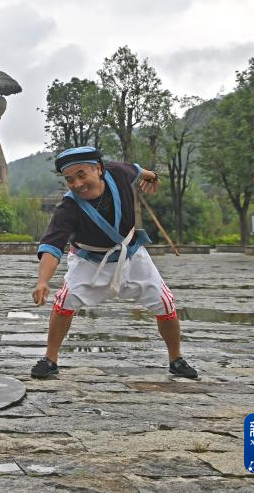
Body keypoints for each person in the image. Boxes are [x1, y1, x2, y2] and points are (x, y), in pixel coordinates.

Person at [30, 146, 198, 380]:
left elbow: (137, 171)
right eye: (69, 179)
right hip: (89, 261)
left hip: (131, 255)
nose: (77, 184)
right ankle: (50, 359)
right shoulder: (68, 209)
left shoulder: (118, 172)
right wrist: (42, 281)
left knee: (165, 302)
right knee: (65, 301)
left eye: (81, 175)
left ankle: (176, 359)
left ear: (98, 169)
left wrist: (152, 177)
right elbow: (52, 247)